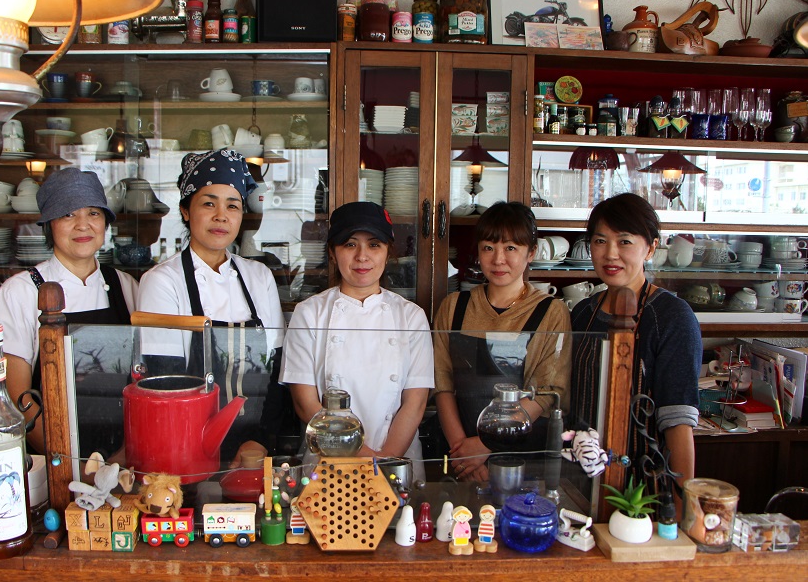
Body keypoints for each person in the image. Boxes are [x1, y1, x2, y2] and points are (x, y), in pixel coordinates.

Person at [137, 149, 293, 467]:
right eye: (209, 203)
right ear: (185, 210)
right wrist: (201, 449)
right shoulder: (162, 281)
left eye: (232, 205)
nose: (221, 216)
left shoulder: (259, 276)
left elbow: (278, 368)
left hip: (254, 448)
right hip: (188, 446)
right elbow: (166, 381)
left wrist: (261, 440)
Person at [0, 168, 138, 454]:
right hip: (52, 457)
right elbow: (17, 398)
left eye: (93, 213)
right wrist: (67, 463)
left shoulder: (125, 286)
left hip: (124, 456)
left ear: (105, 222)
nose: (83, 225)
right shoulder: (19, 292)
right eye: (68, 214)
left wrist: (125, 457)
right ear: (49, 224)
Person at [281, 202, 434, 478]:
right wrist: (364, 458)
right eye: (350, 244)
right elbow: (305, 404)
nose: (362, 256)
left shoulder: (411, 316)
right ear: (332, 252)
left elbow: (416, 403)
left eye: (374, 245)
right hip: (329, 463)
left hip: (397, 461)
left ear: (388, 252)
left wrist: (385, 463)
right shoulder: (309, 313)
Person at [432, 201, 571, 482]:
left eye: (511, 248)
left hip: (523, 455)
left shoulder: (551, 311)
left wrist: (484, 445)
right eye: (488, 248)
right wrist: (464, 453)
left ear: (531, 253)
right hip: (458, 451)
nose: (498, 260)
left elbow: (547, 392)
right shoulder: (454, 306)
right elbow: (441, 383)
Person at [570, 193, 699, 494]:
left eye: (624, 241)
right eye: (600, 241)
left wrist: (683, 508)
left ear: (651, 248)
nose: (610, 254)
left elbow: (678, 424)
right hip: (580, 483)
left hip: (641, 491)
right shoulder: (583, 312)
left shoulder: (672, 317)